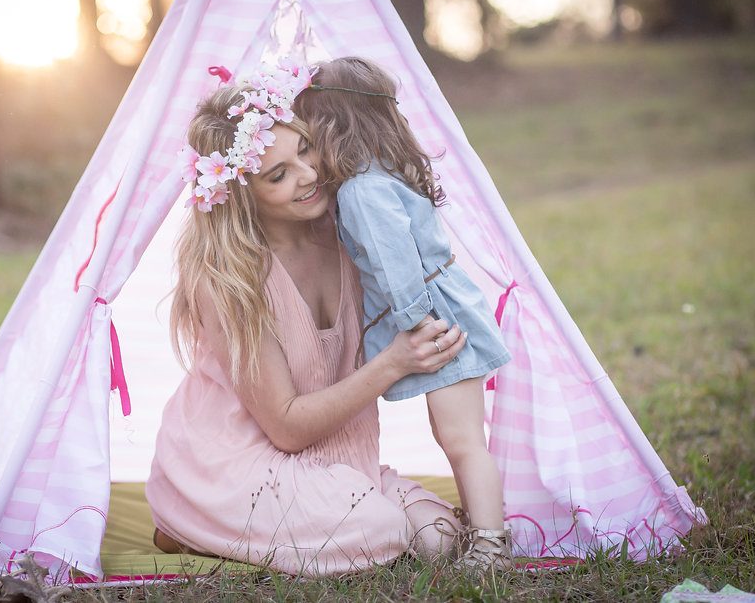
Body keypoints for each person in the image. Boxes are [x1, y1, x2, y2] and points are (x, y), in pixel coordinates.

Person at [145, 62, 469, 575]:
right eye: (278, 175)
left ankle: (277, 525)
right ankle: (193, 517)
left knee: (439, 538)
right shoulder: (227, 277)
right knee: (382, 531)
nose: (310, 175)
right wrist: (394, 363)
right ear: (240, 193)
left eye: (305, 149)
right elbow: (288, 428)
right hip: (235, 464)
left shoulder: (349, 234)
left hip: (341, 462)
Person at [293, 56, 514, 571]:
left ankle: (489, 544)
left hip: (436, 318)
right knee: (456, 435)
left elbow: (397, 267)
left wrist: (415, 326)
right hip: (445, 306)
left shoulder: (361, 191)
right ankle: (482, 524)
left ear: (331, 129)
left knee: (461, 438)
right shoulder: (379, 174)